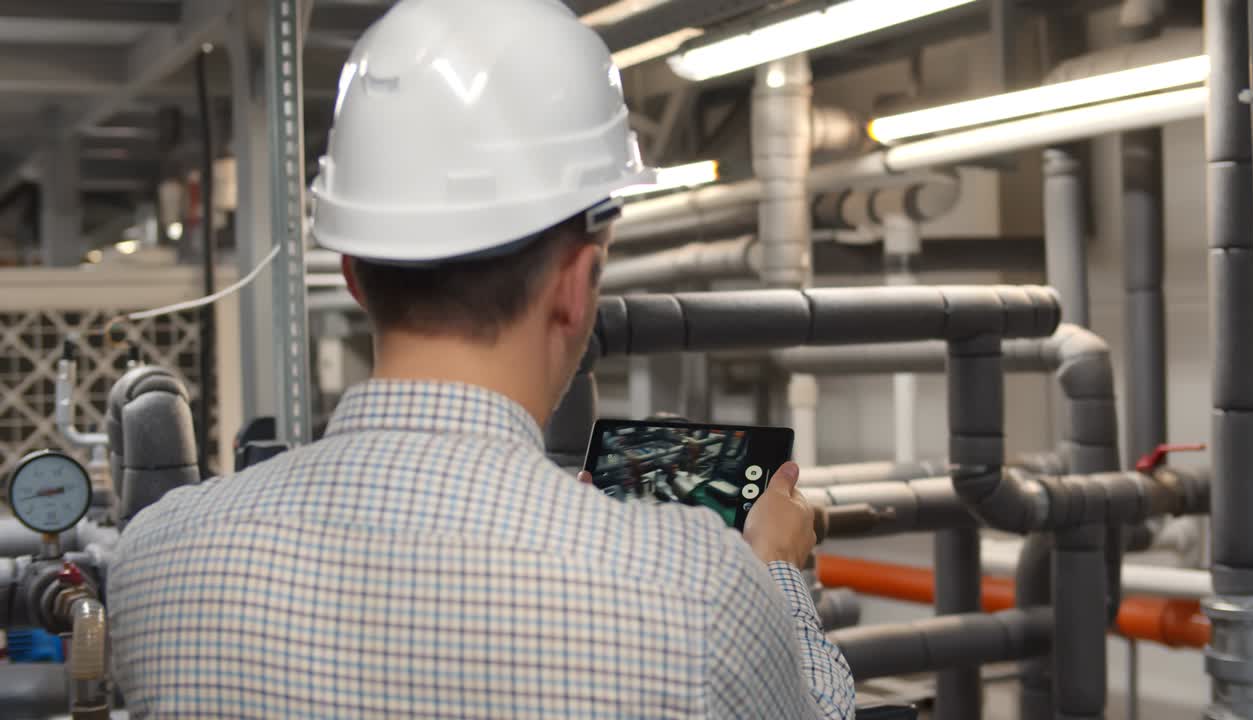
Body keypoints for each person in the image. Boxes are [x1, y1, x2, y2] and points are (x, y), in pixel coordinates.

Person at [108, 0, 856, 717]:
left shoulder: (156, 559)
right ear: (574, 285)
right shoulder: (695, 591)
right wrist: (779, 574)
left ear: (354, 277)